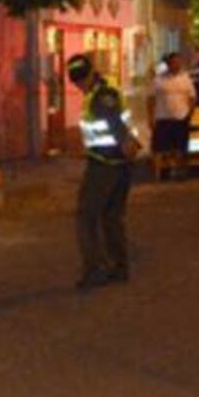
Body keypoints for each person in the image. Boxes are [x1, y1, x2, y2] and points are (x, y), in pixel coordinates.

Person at [68, 54, 141, 291]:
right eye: (75, 82)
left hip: (106, 164)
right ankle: (119, 266)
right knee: (111, 217)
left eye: (81, 80)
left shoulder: (101, 95)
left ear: (91, 73)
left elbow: (114, 122)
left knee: (86, 216)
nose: (79, 85)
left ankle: (96, 269)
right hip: (119, 164)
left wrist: (126, 143)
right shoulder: (105, 89)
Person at [149, 52, 196, 180]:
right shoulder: (158, 80)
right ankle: (157, 174)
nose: (176, 65)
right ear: (168, 64)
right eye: (173, 63)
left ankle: (177, 171)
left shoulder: (185, 79)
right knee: (159, 148)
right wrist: (151, 117)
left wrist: (189, 114)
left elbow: (192, 97)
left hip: (181, 117)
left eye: (178, 62)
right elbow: (151, 99)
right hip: (162, 117)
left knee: (179, 148)